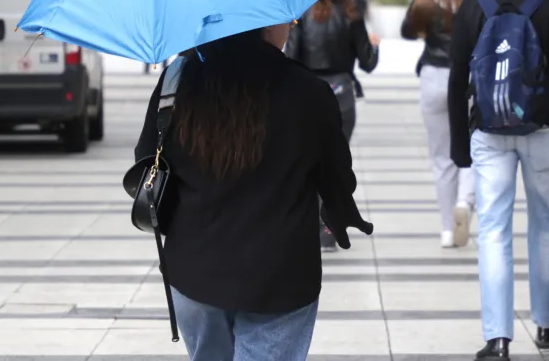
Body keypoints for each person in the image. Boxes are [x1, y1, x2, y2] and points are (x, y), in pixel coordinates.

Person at [134, 25, 373, 360]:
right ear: (265, 21)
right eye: (288, 19)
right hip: (280, 277)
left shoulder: (176, 81)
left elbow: (147, 158)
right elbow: (335, 175)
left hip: (194, 269)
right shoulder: (307, 89)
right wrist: (339, 208)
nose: (291, 25)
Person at [448, 0, 549, 360]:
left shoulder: (477, 1)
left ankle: (498, 338)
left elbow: (457, 78)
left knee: (493, 229)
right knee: (544, 223)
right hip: (542, 128)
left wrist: (458, 144)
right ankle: (547, 321)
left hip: (488, 130)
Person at [285, 0, 380, 252]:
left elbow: (290, 58)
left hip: (308, 95)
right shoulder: (352, 16)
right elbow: (368, 63)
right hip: (342, 95)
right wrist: (375, 47)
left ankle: (308, 226)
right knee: (334, 165)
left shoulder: (302, 16)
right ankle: (328, 231)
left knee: (307, 163)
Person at [401, 0, 476, 248]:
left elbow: (406, 32)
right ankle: (465, 202)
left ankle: (447, 229)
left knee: (442, 157)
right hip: (465, 77)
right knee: (470, 147)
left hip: (433, 77)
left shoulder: (425, 2)